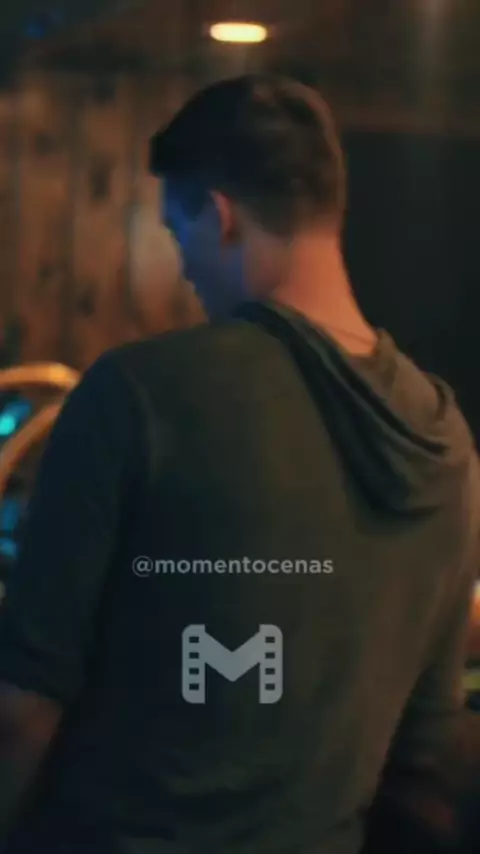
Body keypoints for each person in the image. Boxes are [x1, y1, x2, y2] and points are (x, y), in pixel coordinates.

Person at [0, 74, 478, 854]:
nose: (185, 268)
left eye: (177, 232)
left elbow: (23, 709)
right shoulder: (446, 438)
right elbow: (426, 742)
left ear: (221, 218)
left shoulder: (139, 394)